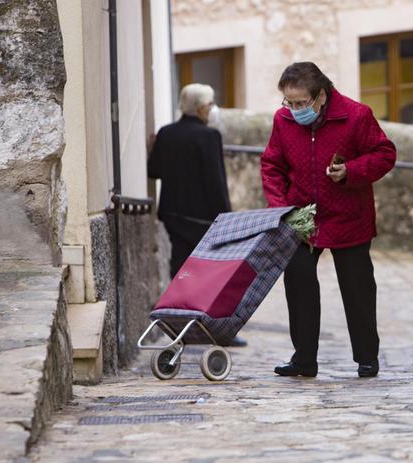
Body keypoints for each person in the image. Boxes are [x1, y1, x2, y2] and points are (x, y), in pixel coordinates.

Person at [261, 62, 396, 378]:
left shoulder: (356, 115)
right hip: (302, 217)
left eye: (301, 103)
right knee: (298, 280)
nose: (294, 109)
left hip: (350, 216)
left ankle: (367, 357)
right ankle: (304, 359)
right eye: (288, 102)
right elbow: (271, 166)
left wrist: (351, 171)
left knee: (357, 287)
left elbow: (385, 154)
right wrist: (281, 207)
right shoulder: (283, 121)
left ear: (321, 96)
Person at [147, 84, 244, 347]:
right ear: (202, 108)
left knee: (181, 268)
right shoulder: (208, 136)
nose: (212, 109)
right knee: (211, 272)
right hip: (203, 218)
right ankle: (214, 326)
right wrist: (227, 218)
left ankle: (179, 323)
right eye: (211, 104)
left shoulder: (166, 134)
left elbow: (153, 169)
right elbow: (216, 181)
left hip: (174, 214)